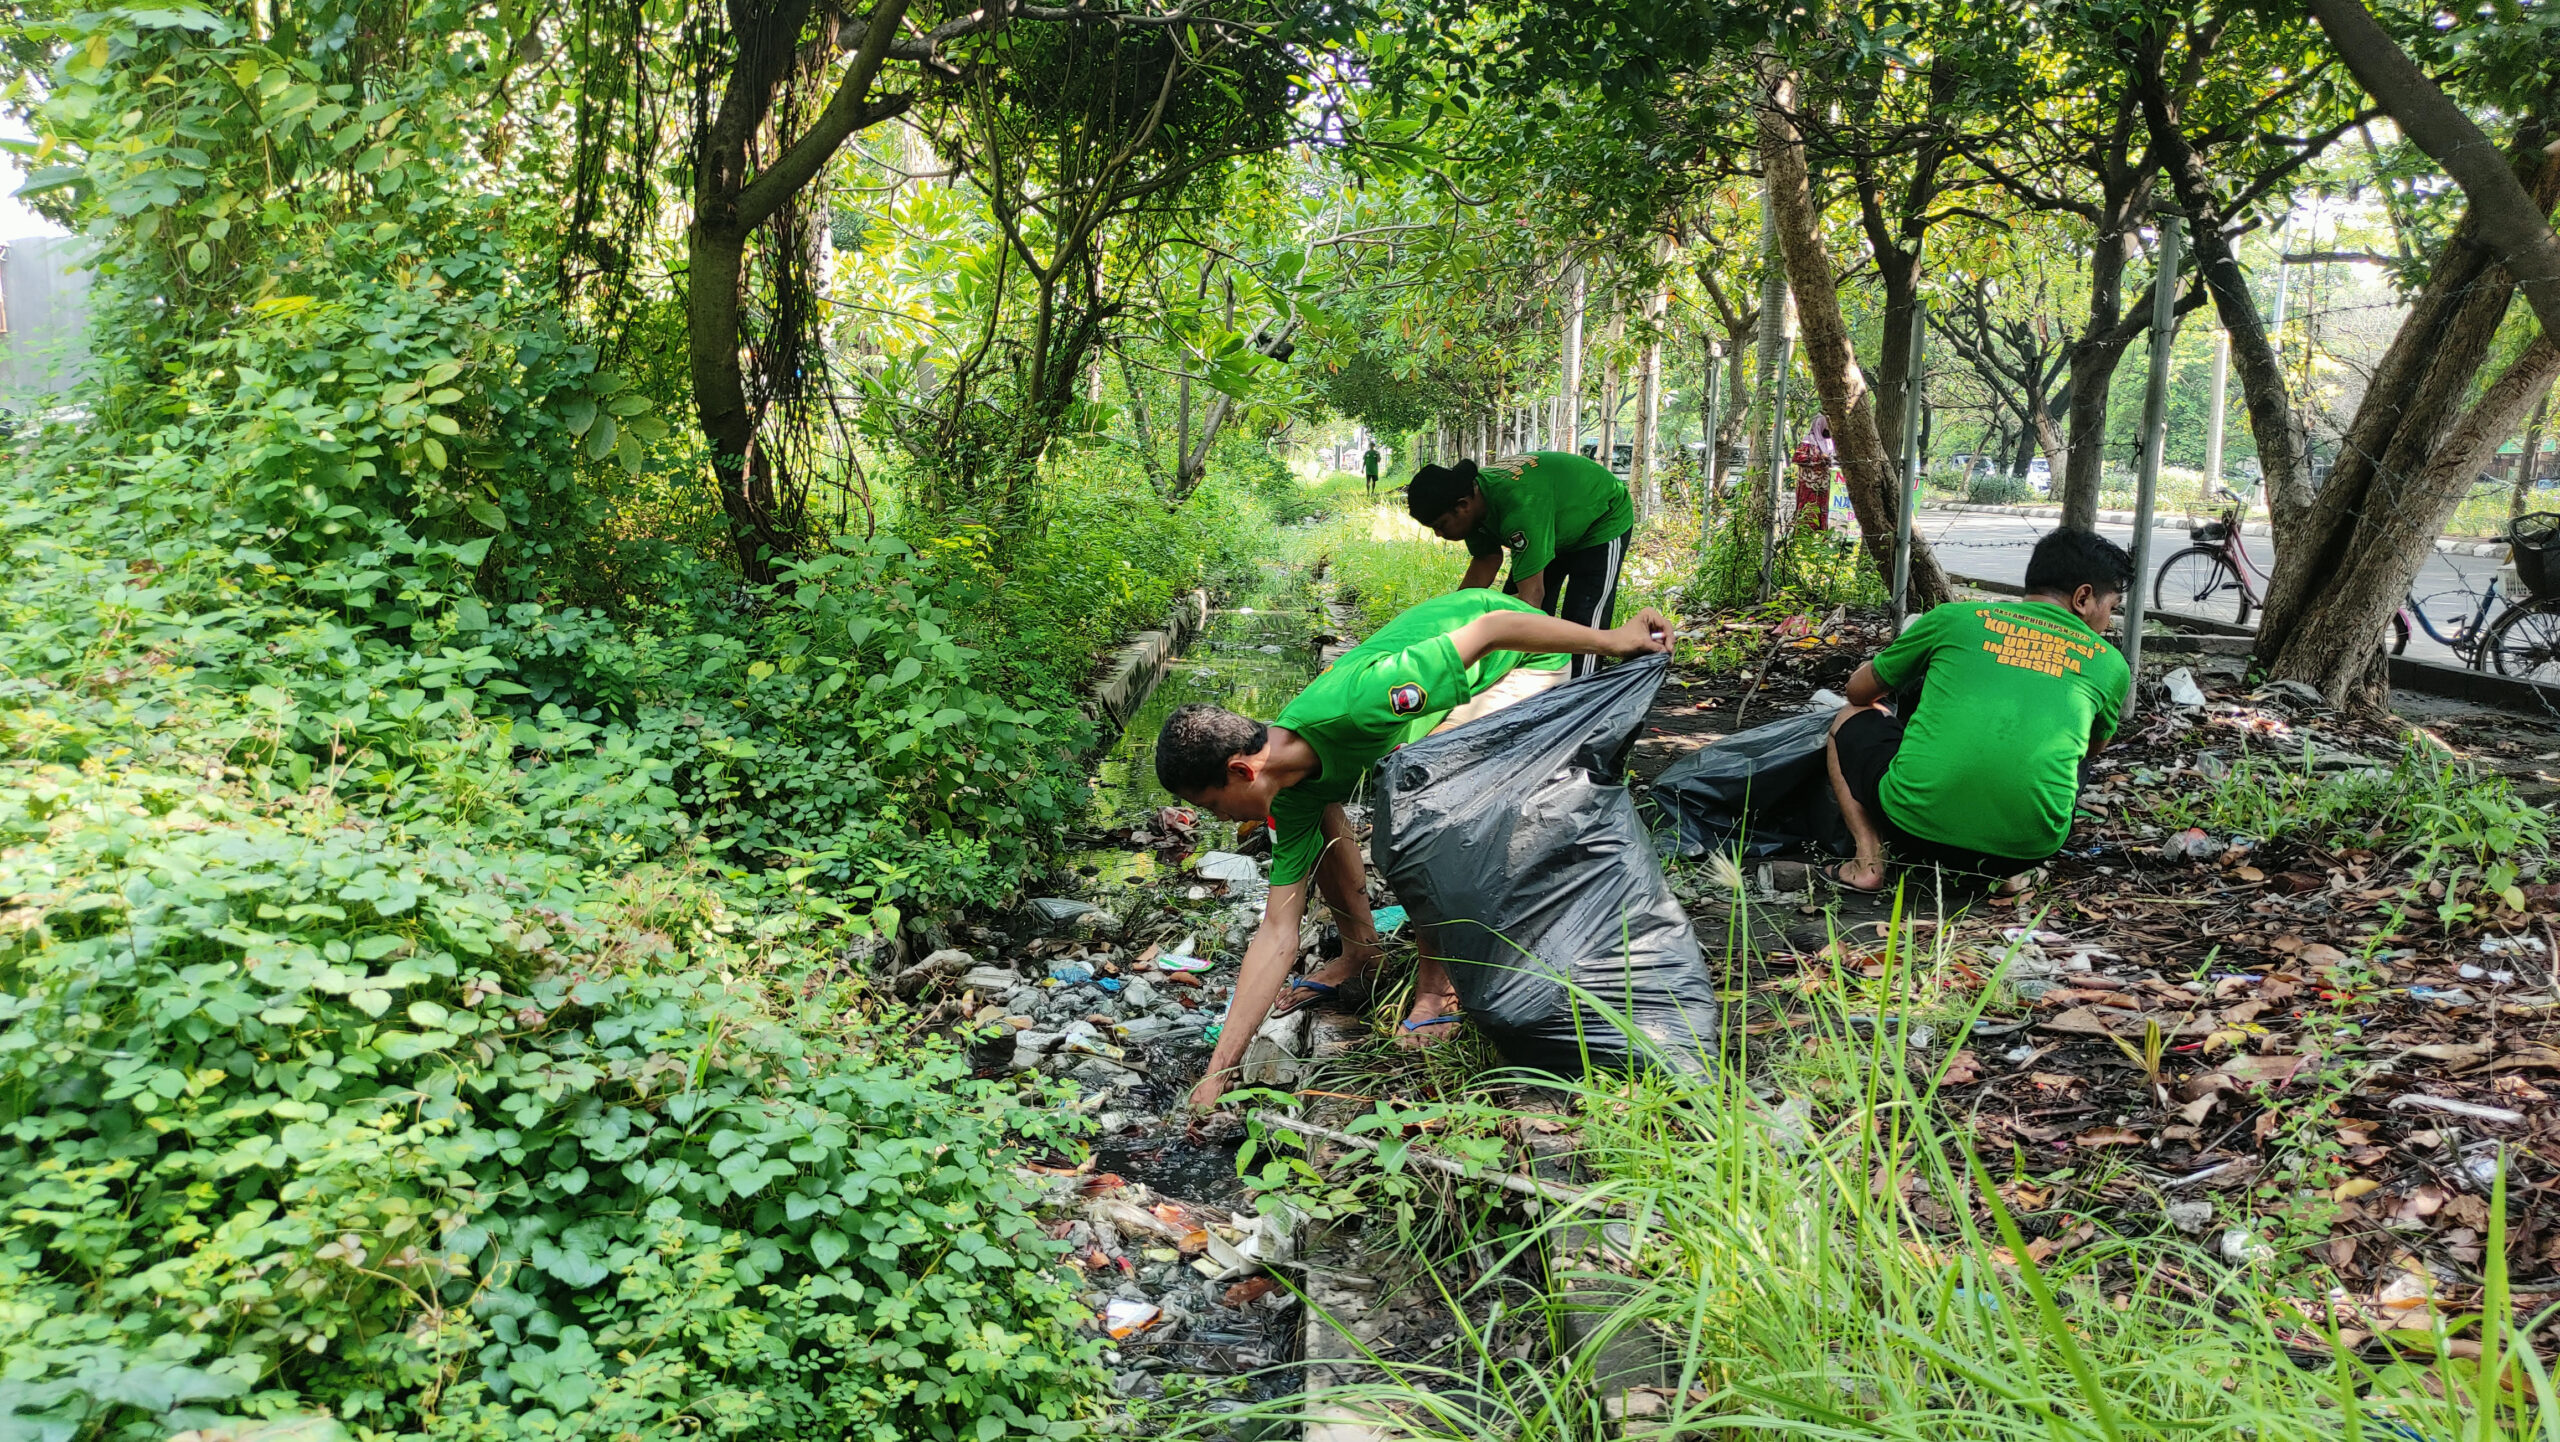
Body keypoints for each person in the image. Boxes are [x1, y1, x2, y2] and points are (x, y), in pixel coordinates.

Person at [1155, 589, 1671, 1110]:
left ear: (1242, 771)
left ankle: (1436, 990)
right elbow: (1276, 931)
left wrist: (1613, 641)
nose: (1217, 819)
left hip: (1518, 657)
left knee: (1423, 810)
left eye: (1213, 804)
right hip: (1469, 666)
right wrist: (1217, 1073)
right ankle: (1361, 956)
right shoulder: (1290, 792)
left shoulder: (1360, 703)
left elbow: (1492, 628)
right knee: (1330, 814)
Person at [1824, 528, 2134, 894]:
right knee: (2076, 754)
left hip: (1910, 828)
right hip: (2025, 850)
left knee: (1847, 715)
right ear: (2084, 597)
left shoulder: (1955, 619)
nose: (2108, 623)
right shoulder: (2111, 664)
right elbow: (2091, 751)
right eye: (2111, 608)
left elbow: (1858, 692)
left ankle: (1868, 861)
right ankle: (2015, 876)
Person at [1405, 451, 1635, 678]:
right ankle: (1531, 685)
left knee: (1584, 621)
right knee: (1513, 617)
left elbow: (1530, 599)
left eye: (1441, 525)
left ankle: (1579, 696)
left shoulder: (1518, 509)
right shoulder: (1474, 508)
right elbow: (1486, 560)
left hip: (1600, 518)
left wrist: (1480, 625)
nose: (1438, 534)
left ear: (1463, 505)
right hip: (1551, 524)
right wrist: (1452, 618)